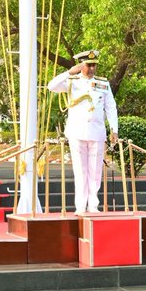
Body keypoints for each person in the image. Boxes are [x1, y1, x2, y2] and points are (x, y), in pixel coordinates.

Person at [45, 50, 119, 213]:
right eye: (88, 65)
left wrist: (114, 129)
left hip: (97, 132)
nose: (92, 68)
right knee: (80, 170)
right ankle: (80, 206)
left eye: (94, 65)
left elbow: (111, 107)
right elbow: (51, 86)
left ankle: (93, 205)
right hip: (77, 132)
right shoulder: (72, 81)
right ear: (81, 65)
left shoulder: (103, 83)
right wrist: (70, 72)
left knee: (95, 170)